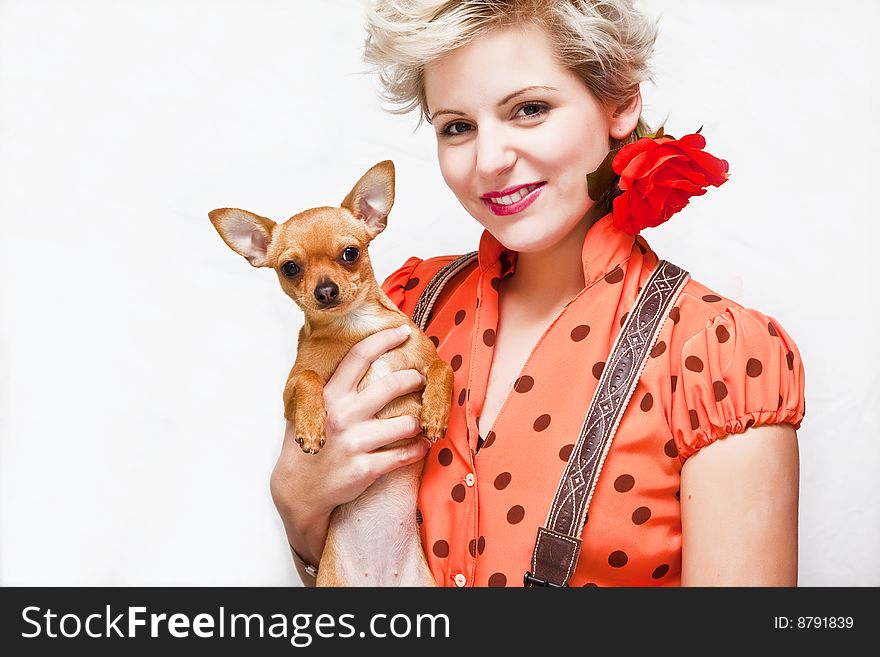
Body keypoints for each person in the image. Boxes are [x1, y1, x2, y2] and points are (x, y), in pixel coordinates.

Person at [270, 0, 805, 587]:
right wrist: (299, 504)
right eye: (457, 126)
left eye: (529, 109)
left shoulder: (714, 355)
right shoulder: (408, 303)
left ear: (620, 102)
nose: (490, 161)